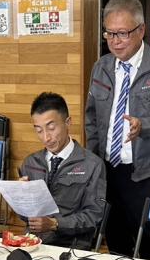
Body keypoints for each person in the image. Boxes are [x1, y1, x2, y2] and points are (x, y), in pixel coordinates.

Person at [84, 0, 150, 260]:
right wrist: (94, 161)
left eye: (122, 34)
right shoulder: (101, 67)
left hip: (147, 171)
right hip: (109, 168)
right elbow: (91, 117)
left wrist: (147, 125)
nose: (115, 41)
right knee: (115, 234)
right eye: (109, 34)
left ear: (141, 30)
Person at [18, 92, 105, 248]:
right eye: (39, 130)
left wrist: (55, 224)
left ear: (68, 122)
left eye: (51, 128)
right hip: (32, 244)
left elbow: (94, 215)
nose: (46, 138)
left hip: (72, 247)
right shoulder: (30, 163)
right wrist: (20, 198)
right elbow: (25, 217)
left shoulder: (92, 164)